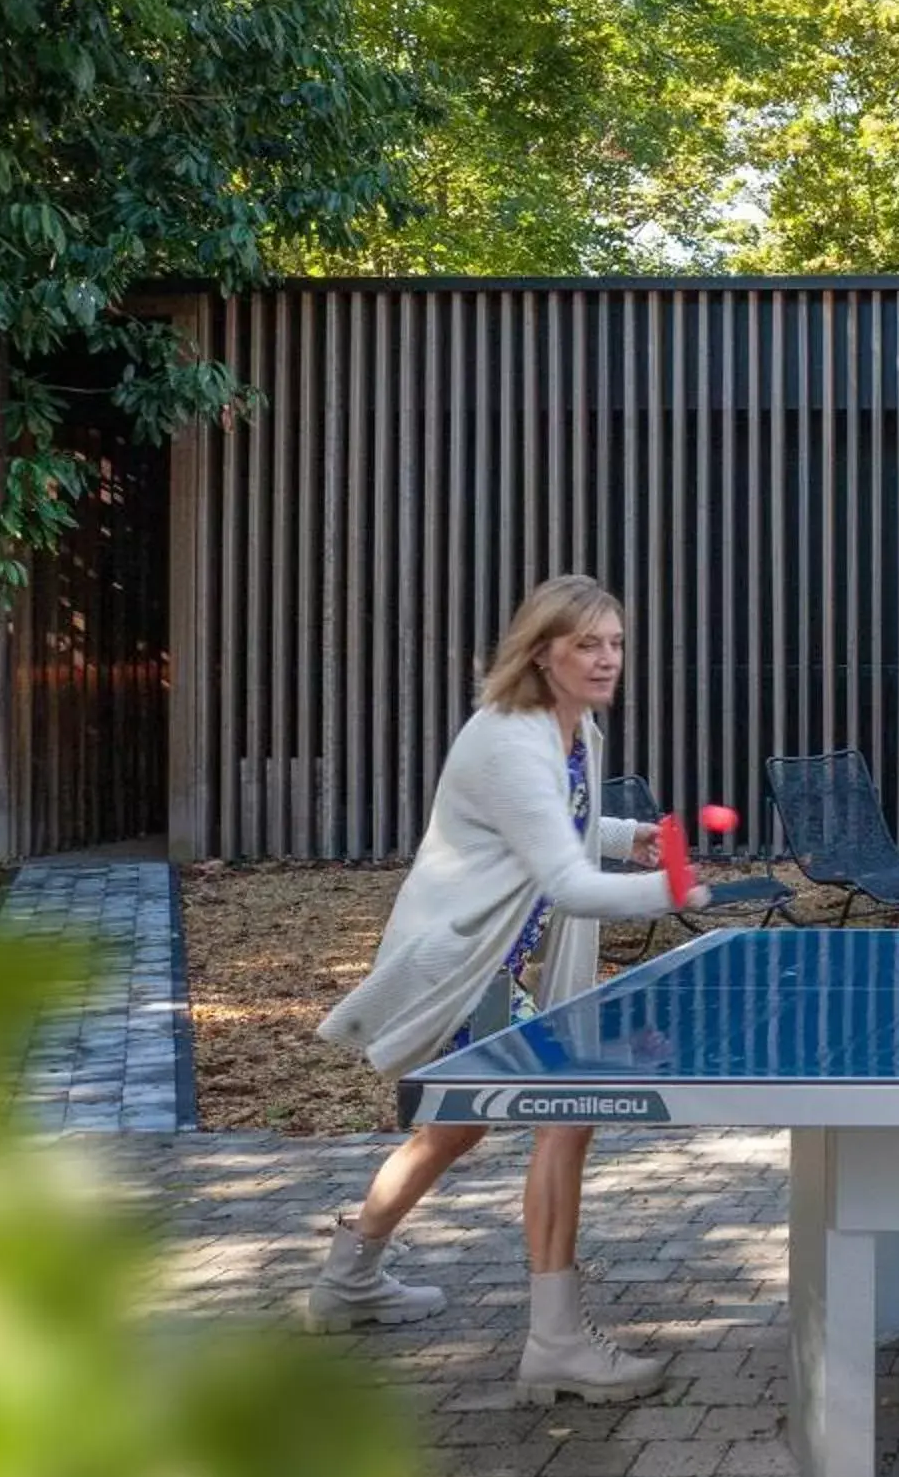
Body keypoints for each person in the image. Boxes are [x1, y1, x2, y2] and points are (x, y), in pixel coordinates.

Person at [300, 575, 711, 1405]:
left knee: (453, 1130)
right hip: (456, 968)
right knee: (572, 1103)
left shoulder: (573, 731)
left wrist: (631, 838)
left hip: (493, 967)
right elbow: (564, 880)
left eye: (616, 643)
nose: (605, 660)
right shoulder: (510, 739)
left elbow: (563, 823)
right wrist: (675, 892)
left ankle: (348, 1279)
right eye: (585, 644)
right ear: (541, 650)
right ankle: (556, 1344)